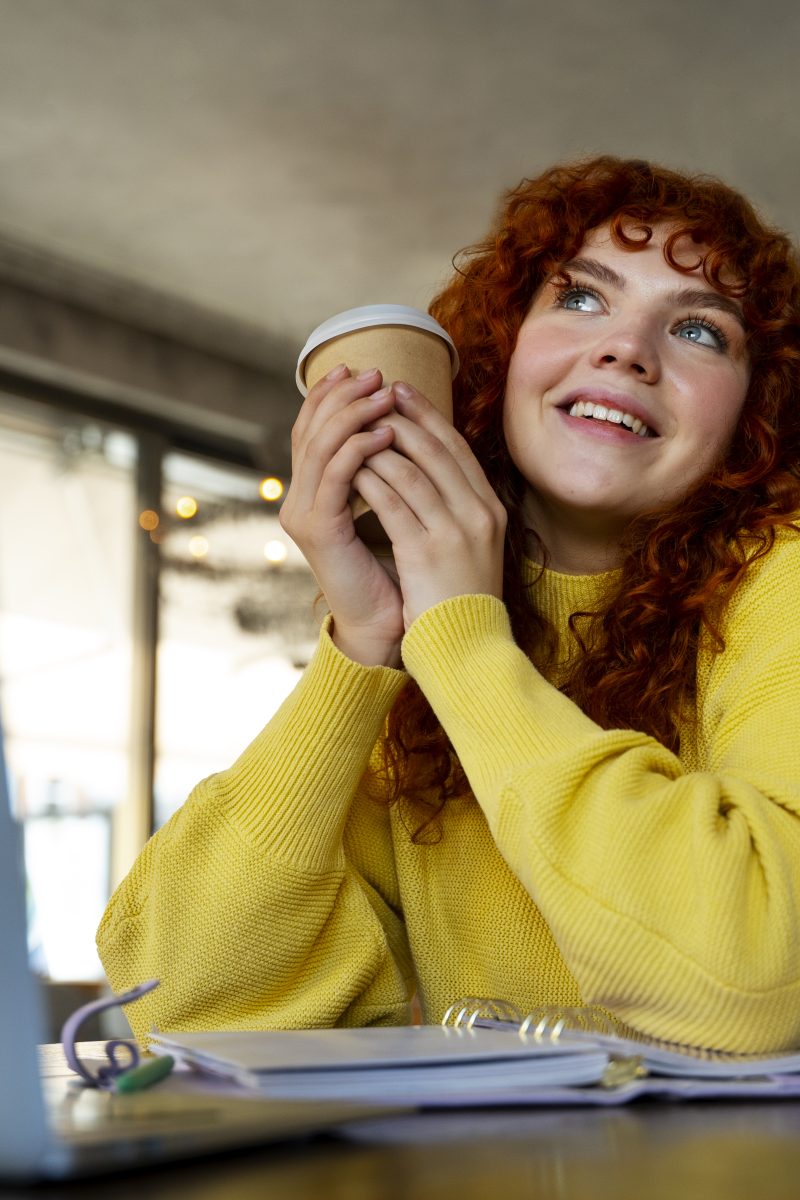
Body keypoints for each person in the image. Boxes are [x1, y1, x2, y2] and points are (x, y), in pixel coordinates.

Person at [98, 156, 800, 1054]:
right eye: (581, 298)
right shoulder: (414, 651)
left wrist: (465, 646)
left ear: (755, 414)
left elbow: (751, 977)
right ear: (502, 356)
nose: (627, 348)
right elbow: (175, 999)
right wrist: (366, 648)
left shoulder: (774, 581)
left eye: (700, 330)